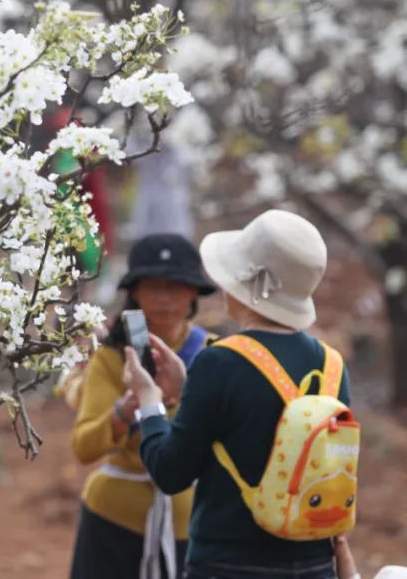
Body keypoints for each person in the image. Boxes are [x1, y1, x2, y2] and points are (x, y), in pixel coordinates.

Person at [124, 209, 352, 579]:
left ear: (248, 287)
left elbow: (170, 472)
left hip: (227, 564)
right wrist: (188, 388)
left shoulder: (219, 361)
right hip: (314, 563)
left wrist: (149, 401)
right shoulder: (333, 366)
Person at [69, 233, 218, 579]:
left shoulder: (213, 354)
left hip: (191, 524)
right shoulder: (112, 357)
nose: (164, 298)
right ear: (135, 292)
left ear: (194, 292)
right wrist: (126, 409)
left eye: (175, 287)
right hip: (111, 519)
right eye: (153, 286)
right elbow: (84, 447)